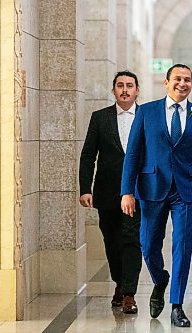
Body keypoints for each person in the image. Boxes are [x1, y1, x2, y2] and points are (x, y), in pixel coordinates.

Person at [120, 64, 192, 327]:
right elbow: (134, 153)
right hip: (151, 187)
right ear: (166, 82)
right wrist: (127, 191)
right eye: (178, 79)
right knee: (148, 245)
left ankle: (177, 305)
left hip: (187, 190)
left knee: (183, 246)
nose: (183, 83)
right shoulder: (147, 112)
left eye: (188, 80)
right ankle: (160, 280)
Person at [79, 70, 142, 314]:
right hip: (106, 192)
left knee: (131, 239)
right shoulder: (100, 118)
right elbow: (88, 155)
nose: (125, 90)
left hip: (137, 192)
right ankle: (119, 282)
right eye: (120, 85)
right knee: (112, 241)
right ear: (113, 90)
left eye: (129, 86)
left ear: (137, 90)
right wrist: (86, 188)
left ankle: (129, 293)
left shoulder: (147, 116)